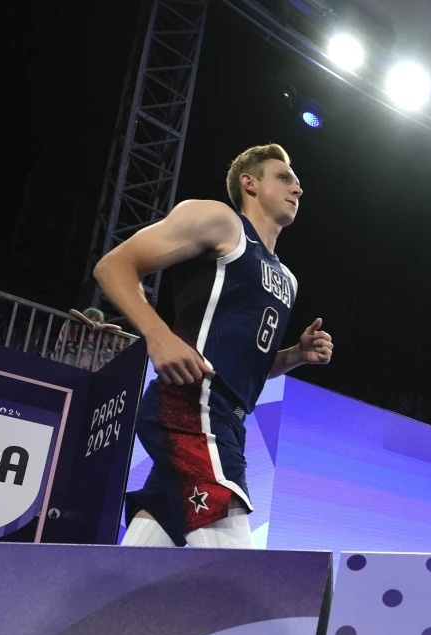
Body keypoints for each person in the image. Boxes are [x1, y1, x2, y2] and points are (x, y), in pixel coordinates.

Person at [94, 143, 333, 548]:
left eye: (297, 182)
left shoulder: (288, 279)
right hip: (194, 402)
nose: (297, 188)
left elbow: (248, 363)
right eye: (284, 178)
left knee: (138, 565)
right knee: (233, 571)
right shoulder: (220, 221)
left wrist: (294, 356)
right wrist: (159, 335)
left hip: (228, 417)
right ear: (249, 183)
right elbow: (113, 266)